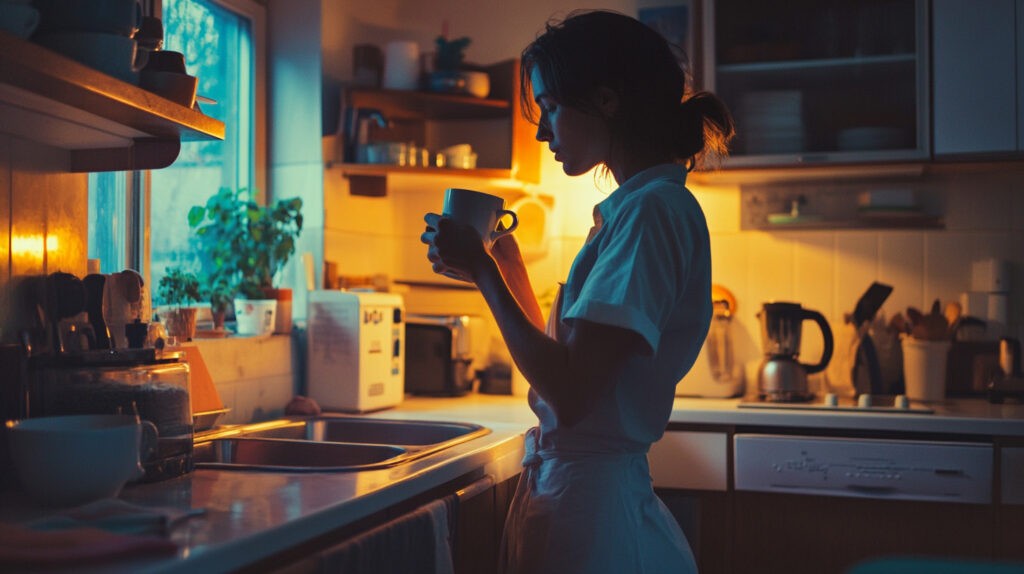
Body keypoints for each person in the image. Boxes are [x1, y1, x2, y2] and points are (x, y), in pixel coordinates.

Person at [422, 9, 735, 574]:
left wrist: (487, 276)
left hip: (594, 516)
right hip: (578, 497)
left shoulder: (651, 213)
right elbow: (565, 365)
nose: (542, 131)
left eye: (549, 107)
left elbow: (570, 391)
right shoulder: (634, 209)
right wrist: (498, 265)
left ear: (607, 100)